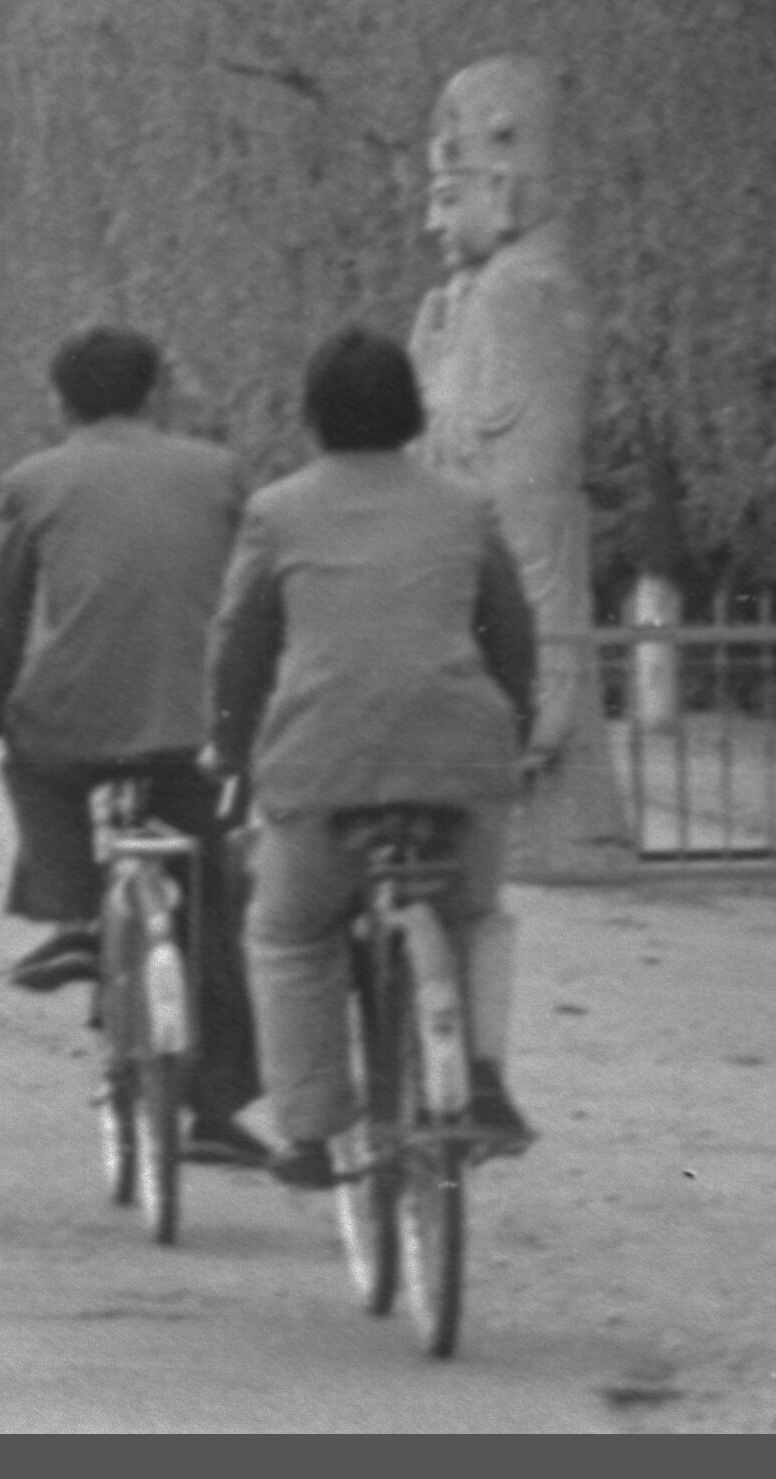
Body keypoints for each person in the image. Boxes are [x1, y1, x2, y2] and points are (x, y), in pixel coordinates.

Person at [206, 327, 539, 1191]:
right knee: (476, 917)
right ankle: (484, 1079)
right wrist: (514, 729)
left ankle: (311, 1131)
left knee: (289, 934)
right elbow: (513, 634)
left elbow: (239, 648)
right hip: (462, 761)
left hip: (322, 766)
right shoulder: (465, 508)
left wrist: (231, 750)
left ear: (312, 415)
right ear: (412, 411)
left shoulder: (277, 511)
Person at [0, 326, 268, 1167]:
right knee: (208, 894)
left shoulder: (33, 481)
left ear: (59, 401)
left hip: (73, 715)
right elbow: (251, 598)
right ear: (154, 393)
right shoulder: (219, 473)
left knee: (31, 763)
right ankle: (218, 1108)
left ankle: (74, 916)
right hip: (196, 722)